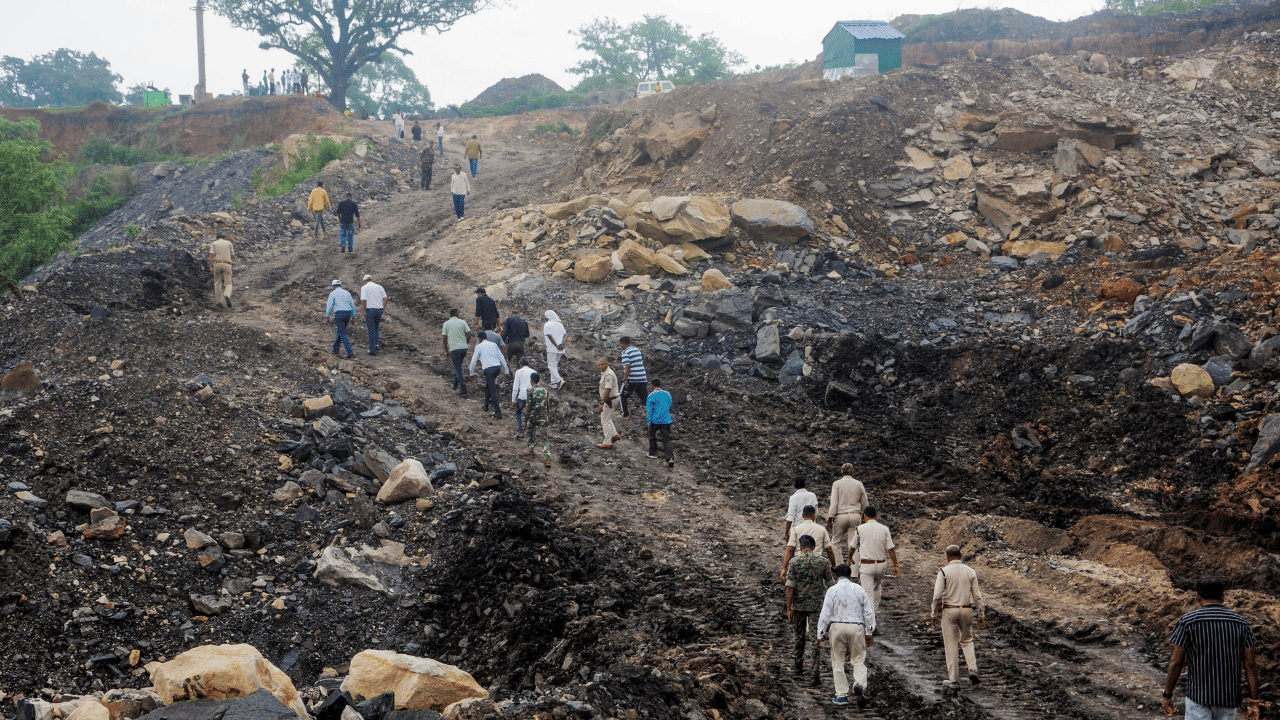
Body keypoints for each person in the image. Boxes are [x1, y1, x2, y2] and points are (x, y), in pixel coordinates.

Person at [1162, 576, 1260, 720]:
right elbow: (1250, 664)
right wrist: (1254, 701)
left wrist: (1168, 694)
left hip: (1198, 697)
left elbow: (1177, 662)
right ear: (1223, 597)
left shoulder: (1188, 622)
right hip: (1228, 698)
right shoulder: (1241, 623)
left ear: (1198, 597)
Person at [817, 564, 876, 708]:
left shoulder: (832, 590)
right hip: (856, 627)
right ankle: (859, 684)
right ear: (850, 576)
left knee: (838, 661)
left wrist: (821, 633)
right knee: (858, 659)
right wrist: (869, 632)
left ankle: (841, 695)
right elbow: (869, 612)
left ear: (835, 576)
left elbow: (825, 613)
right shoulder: (859, 589)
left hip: (837, 627)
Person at [930, 545, 986, 688]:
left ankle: (954, 679)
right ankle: (972, 669)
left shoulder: (943, 572)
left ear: (948, 557)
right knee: (967, 640)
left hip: (950, 610)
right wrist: (981, 613)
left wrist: (933, 612)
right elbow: (977, 596)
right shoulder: (970, 571)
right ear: (960, 556)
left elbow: (937, 595)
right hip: (966, 610)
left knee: (951, 644)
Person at [786, 534, 833, 686]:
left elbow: (790, 588)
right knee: (815, 640)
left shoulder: (794, 562)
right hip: (816, 607)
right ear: (813, 547)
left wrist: (789, 609)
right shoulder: (823, 562)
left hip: (798, 606)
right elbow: (830, 585)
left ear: (801, 547)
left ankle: (798, 667)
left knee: (798, 637)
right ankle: (815, 673)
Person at [849, 505, 899, 617]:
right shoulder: (885, 529)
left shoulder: (859, 529)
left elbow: (852, 547)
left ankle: (871, 623)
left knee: (868, 594)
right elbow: (891, 550)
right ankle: (874, 614)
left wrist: (850, 557)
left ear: (864, 516)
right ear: (876, 516)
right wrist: (895, 566)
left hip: (867, 566)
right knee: (877, 588)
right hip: (881, 565)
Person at [827, 464, 869, 564]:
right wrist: (864, 518)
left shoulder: (836, 484)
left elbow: (834, 504)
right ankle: (853, 573)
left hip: (840, 516)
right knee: (853, 544)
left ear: (841, 472)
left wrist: (829, 519)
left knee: (836, 543)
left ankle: (840, 569)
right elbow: (865, 503)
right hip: (855, 515)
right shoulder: (859, 484)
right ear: (852, 472)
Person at [781, 506, 837, 580]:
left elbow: (790, 549)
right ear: (814, 516)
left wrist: (784, 568)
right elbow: (829, 550)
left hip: (799, 563)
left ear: (803, 515)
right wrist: (833, 565)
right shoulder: (822, 529)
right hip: (817, 564)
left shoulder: (796, 529)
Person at [470, 331, 510, 419]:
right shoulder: (493, 345)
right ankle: (486, 406)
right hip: (497, 368)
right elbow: (501, 357)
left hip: (489, 370)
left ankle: (498, 412)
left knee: (492, 390)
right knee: (488, 386)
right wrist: (506, 371)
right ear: (486, 337)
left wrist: (471, 373)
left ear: (479, 339)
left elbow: (473, 361)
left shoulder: (479, 347)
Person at [523, 372, 552, 467]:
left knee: (530, 432)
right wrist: (547, 416)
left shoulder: (530, 391)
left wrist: (525, 420)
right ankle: (547, 458)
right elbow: (547, 405)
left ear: (531, 380)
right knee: (544, 438)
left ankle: (531, 449)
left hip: (533, 417)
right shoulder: (545, 390)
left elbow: (528, 406)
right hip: (543, 417)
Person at [441, 309, 472, 397]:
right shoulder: (463, 322)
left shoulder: (446, 324)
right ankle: (454, 384)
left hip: (454, 349)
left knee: (458, 369)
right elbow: (469, 335)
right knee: (458, 366)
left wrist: (446, 351)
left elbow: (444, 338)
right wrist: (465, 343)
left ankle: (463, 390)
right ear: (456, 314)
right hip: (463, 349)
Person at [646, 377, 674, 467]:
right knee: (666, 439)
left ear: (652, 386)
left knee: (652, 436)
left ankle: (653, 453)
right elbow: (669, 405)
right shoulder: (668, 394)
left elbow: (650, 410)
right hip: (666, 420)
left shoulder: (651, 396)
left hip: (655, 420)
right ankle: (670, 458)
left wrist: (649, 422)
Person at [324, 279, 356, 359]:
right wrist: (353, 316)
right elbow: (352, 305)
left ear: (333, 286)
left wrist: (327, 317)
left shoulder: (333, 293)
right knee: (341, 331)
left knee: (342, 332)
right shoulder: (347, 293)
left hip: (340, 314)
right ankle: (335, 349)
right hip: (348, 313)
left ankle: (349, 351)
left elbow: (329, 306)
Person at [619, 337, 648, 419]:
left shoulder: (625, 352)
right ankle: (655, 415)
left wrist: (625, 379)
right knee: (645, 398)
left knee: (622, 396)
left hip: (632, 379)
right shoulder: (637, 350)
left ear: (623, 344)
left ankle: (626, 415)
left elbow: (627, 367)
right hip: (642, 378)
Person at [359, 274, 387, 356]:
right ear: (371, 279)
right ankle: (376, 344)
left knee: (371, 329)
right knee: (376, 327)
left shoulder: (364, 288)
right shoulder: (379, 287)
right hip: (379, 310)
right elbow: (385, 298)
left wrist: (364, 309)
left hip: (370, 310)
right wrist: (382, 307)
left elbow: (364, 300)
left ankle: (372, 350)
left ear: (364, 281)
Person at [785, 477, 819, 543]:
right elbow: (816, 513)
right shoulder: (812, 496)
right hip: (811, 529)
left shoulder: (793, 498)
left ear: (794, 485)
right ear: (805, 484)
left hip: (797, 530)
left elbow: (790, 517)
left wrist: (786, 533)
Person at [596, 358, 620, 450]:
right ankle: (614, 435)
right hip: (610, 399)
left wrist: (602, 403)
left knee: (604, 420)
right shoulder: (605, 373)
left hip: (610, 399)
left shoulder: (608, 374)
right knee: (607, 417)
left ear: (607, 364)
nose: (600, 366)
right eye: (599, 364)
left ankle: (607, 443)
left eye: (602, 364)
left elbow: (608, 389)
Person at [208, 234, 234, 309]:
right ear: (224, 238)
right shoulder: (229, 243)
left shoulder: (214, 243)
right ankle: (227, 295)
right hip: (227, 264)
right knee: (228, 283)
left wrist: (211, 266)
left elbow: (211, 256)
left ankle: (219, 301)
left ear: (217, 238)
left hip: (217, 264)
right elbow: (232, 256)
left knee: (217, 283)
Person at [511, 358, 535, 437]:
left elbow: (515, 387)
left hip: (522, 395)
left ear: (521, 365)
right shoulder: (534, 372)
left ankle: (520, 431)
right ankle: (531, 433)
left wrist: (513, 400)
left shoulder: (519, 372)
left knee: (518, 412)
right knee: (531, 414)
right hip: (532, 395)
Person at [543, 310, 567, 389]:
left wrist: (556, 345)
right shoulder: (560, 324)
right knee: (554, 366)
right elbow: (565, 335)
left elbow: (549, 336)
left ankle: (559, 380)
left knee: (551, 366)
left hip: (552, 348)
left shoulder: (547, 325)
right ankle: (554, 383)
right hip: (561, 349)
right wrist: (562, 344)